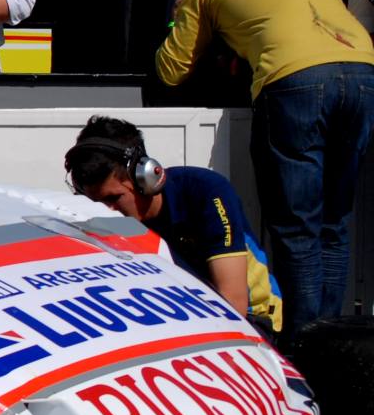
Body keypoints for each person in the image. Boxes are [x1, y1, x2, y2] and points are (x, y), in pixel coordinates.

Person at [154, 0, 374, 338]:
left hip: (293, 79)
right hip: (362, 67)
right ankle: (334, 341)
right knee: (334, 223)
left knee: (298, 226)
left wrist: (181, 10)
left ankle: (305, 345)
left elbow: (172, 69)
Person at [64, 117, 281, 328]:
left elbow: (235, 304)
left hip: (253, 318)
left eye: (113, 198)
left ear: (145, 176)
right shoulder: (99, 218)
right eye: (95, 202)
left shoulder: (207, 192)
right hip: (182, 318)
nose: (105, 211)